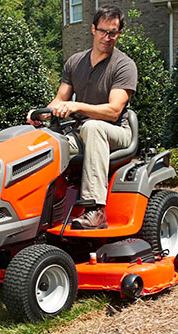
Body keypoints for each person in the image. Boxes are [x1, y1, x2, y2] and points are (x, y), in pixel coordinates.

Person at [30, 5, 137, 229]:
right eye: (103, 31)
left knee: (93, 127)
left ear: (119, 34)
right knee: (47, 145)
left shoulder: (124, 66)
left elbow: (113, 111)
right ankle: (35, 208)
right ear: (93, 29)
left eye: (113, 33)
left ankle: (95, 210)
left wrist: (77, 105)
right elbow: (60, 99)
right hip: (81, 132)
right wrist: (40, 114)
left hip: (117, 131)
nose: (107, 37)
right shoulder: (75, 62)